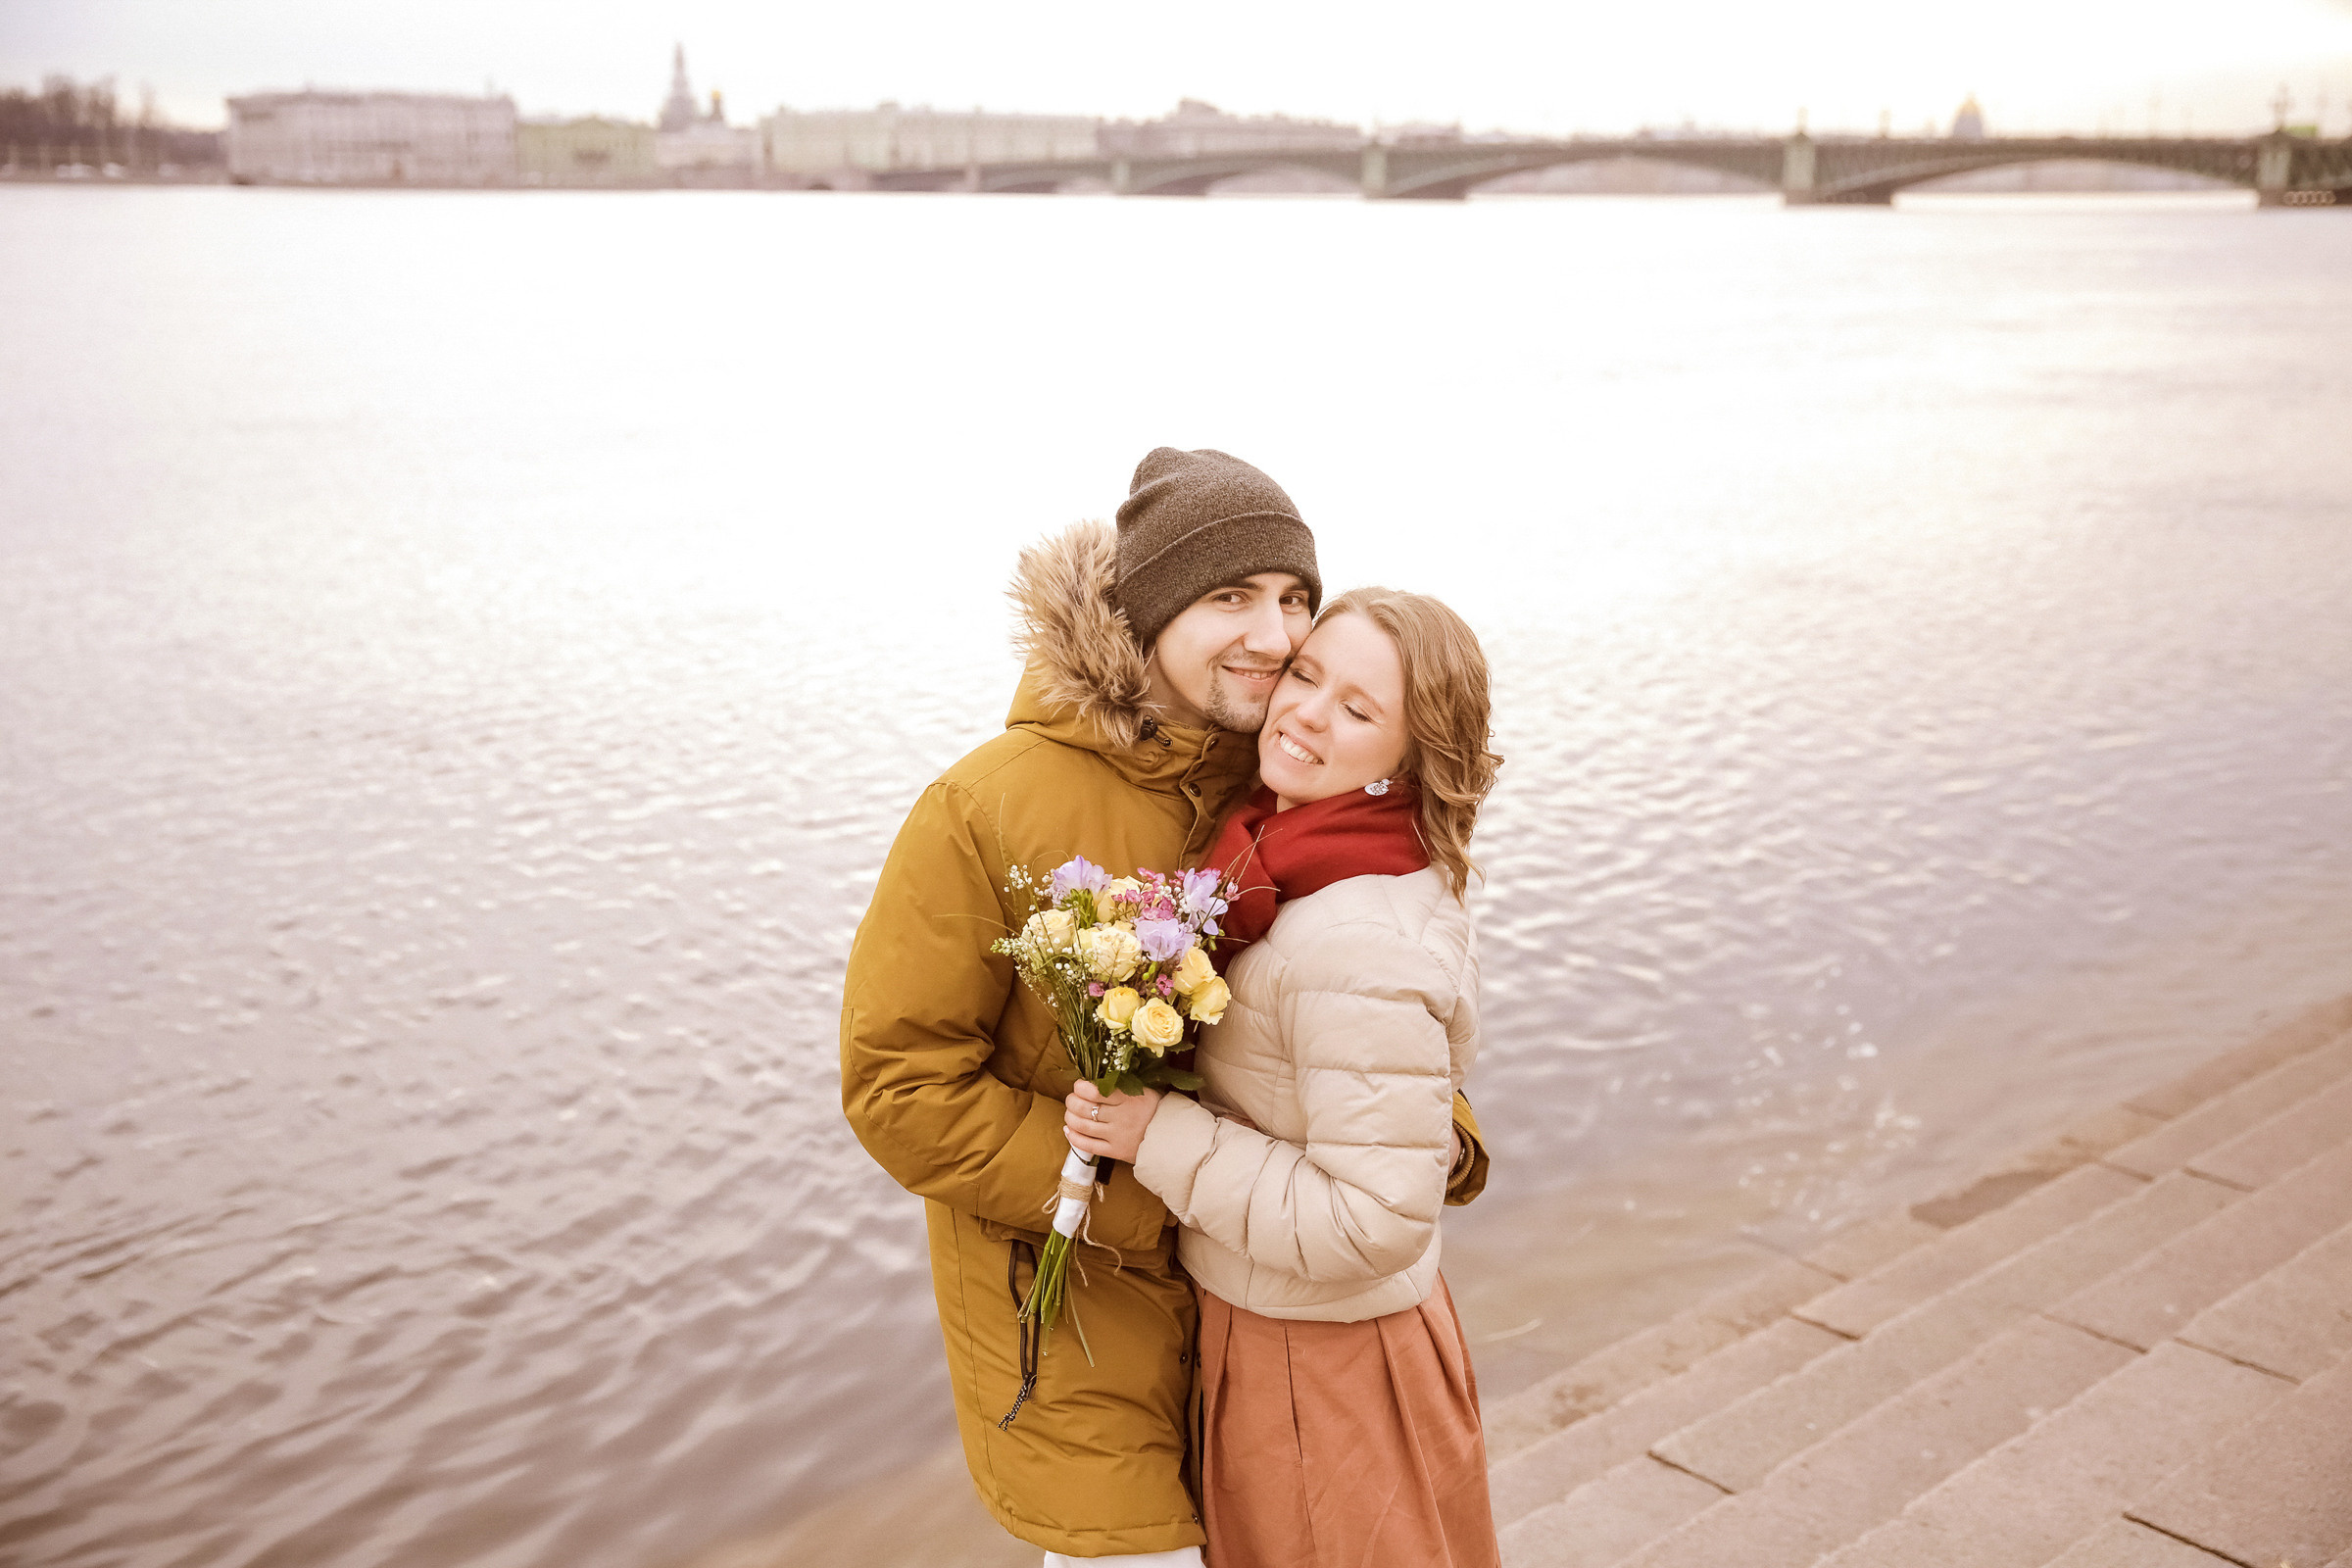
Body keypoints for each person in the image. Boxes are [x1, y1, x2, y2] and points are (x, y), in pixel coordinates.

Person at [839, 450, 1491, 1565]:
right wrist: (1139, 1202)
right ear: (1148, 609)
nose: (1275, 636)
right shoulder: (985, 805)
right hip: (1084, 1319)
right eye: (1229, 595)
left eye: (1293, 599)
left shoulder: (1276, 770)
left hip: (1264, 1322)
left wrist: (1441, 1134)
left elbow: (1362, 1002)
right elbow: (899, 1086)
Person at [1068, 587, 1504, 1567]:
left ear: (1408, 757)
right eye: (1307, 675)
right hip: (1299, 1332)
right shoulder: (1285, 854)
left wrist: (1156, 1136)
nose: (1306, 711)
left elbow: (1374, 1217)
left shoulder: (1351, 937)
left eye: (1358, 709)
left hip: (1325, 1364)